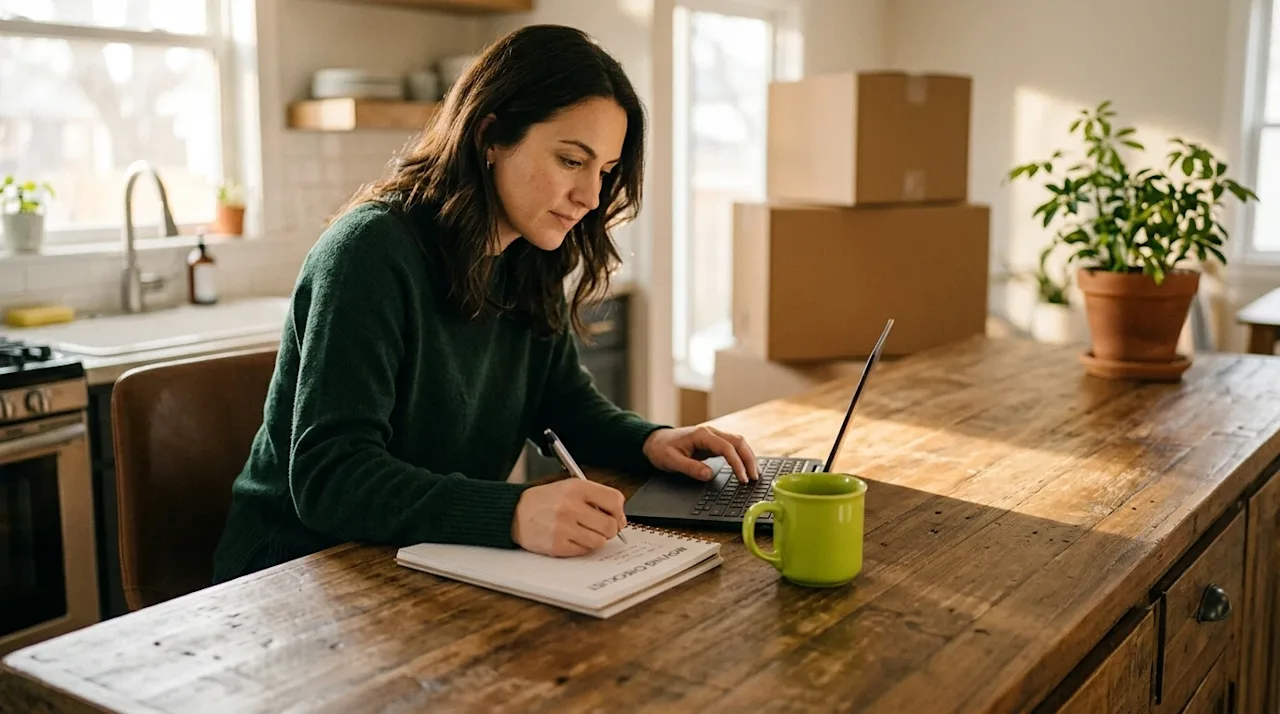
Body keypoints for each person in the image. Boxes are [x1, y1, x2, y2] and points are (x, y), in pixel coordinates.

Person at [211, 24, 760, 583]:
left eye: (605, 172)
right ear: (490, 137)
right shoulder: (369, 252)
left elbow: (563, 404)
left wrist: (650, 441)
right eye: (572, 161)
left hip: (424, 558)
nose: (591, 197)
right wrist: (513, 511)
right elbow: (332, 478)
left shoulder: (531, 254)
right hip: (296, 572)